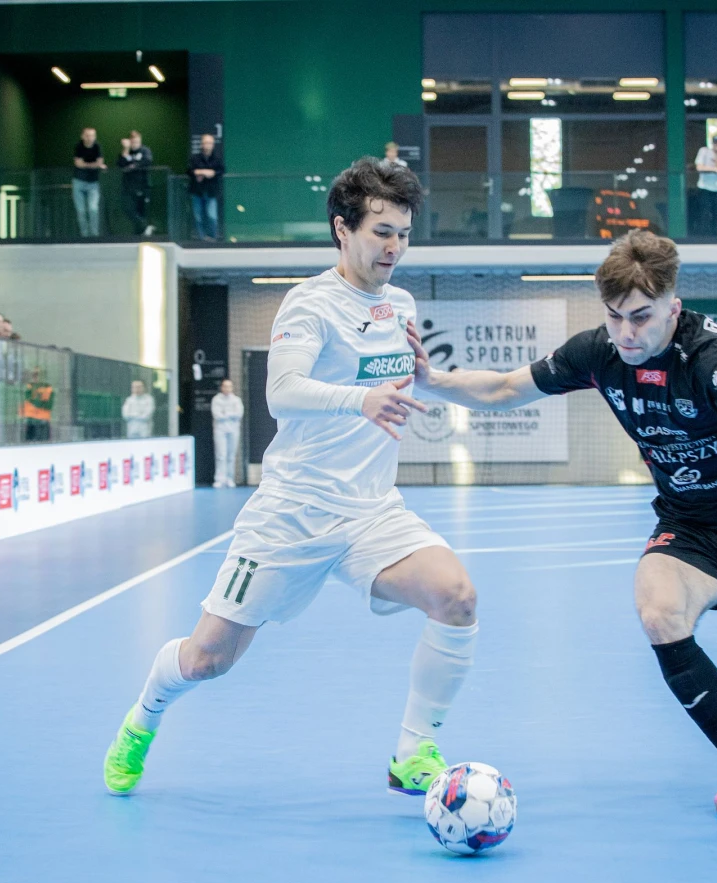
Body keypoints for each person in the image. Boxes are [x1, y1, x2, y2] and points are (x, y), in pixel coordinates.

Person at [410, 229, 717, 813]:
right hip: (689, 523)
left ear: (673, 308)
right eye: (614, 317)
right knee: (658, 611)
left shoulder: (710, 359)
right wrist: (432, 381)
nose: (626, 332)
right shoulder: (599, 354)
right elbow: (505, 388)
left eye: (641, 317)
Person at [102, 157, 479, 802]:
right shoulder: (310, 303)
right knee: (207, 660)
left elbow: (391, 374)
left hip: (371, 510)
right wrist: (359, 399)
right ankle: (142, 719)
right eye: (381, 232)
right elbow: (282, 391)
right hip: (292, 513)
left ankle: (413, 753)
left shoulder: (401, 304)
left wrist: (418, 377)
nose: (394, 247)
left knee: (457, 596)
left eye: (403, 234)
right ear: (343, 229)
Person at [186, 133, 224, 241]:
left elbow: (220, 170)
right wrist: (200, 172)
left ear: (213, 145)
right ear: (202, 144)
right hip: (197, 191)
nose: (207, 145)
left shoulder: (217, 158)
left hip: (211, 192)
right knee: (198, 216)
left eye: (210, 143)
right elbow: (190, 170)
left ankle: (212, 237)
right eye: (205, 143)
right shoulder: (195, 158)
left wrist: (212, 173)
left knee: (212, 216)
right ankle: (201, 238)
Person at [118, 131, 154, 235]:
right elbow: (121, 164)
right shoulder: (127, 152)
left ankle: (140, 234)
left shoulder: (145, 150)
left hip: (142, 186)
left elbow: (147, 161)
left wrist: (132, 166)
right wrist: (126, 149)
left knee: (141, 211)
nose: (135, 144)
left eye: (137, 142)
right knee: (127, 209)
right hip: (128, 187)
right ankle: (144, 226)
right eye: (133, 142)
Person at [72, 127, 107, 238]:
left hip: (93, 183)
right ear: (83, 136)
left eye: (92, 135)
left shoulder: (97, 146)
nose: (90, 138)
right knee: (81, 211)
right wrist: (93, 165)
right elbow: (78, 163)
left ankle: (94, 235)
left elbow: (100, 162)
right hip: (79, 182)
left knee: (93, 209)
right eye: (87, 135)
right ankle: (85, 235)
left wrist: (86, 165)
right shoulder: (79, 146)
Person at [210, 377, 245, 487]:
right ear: (221, 387)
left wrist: (225, 414)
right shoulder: (216, 400)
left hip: (233, 430)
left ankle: (230, 478)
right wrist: (230, 414)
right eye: (225, 386)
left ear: (232, 388)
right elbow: (217, 415)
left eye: (229, 386)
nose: (227, 388)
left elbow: (239, 414)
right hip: (220, 430)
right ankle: (220, 479)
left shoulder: (236, 400)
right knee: (221, 455)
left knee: (231, 455)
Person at [694, 134, 717, 238]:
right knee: (704, 213)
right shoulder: (704, 151)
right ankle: (704, 236)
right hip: (704, 188)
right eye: (714, 143)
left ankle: (715, 235)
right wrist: (713, 169)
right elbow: (699, 167)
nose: (716, 145)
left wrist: (716, 156)